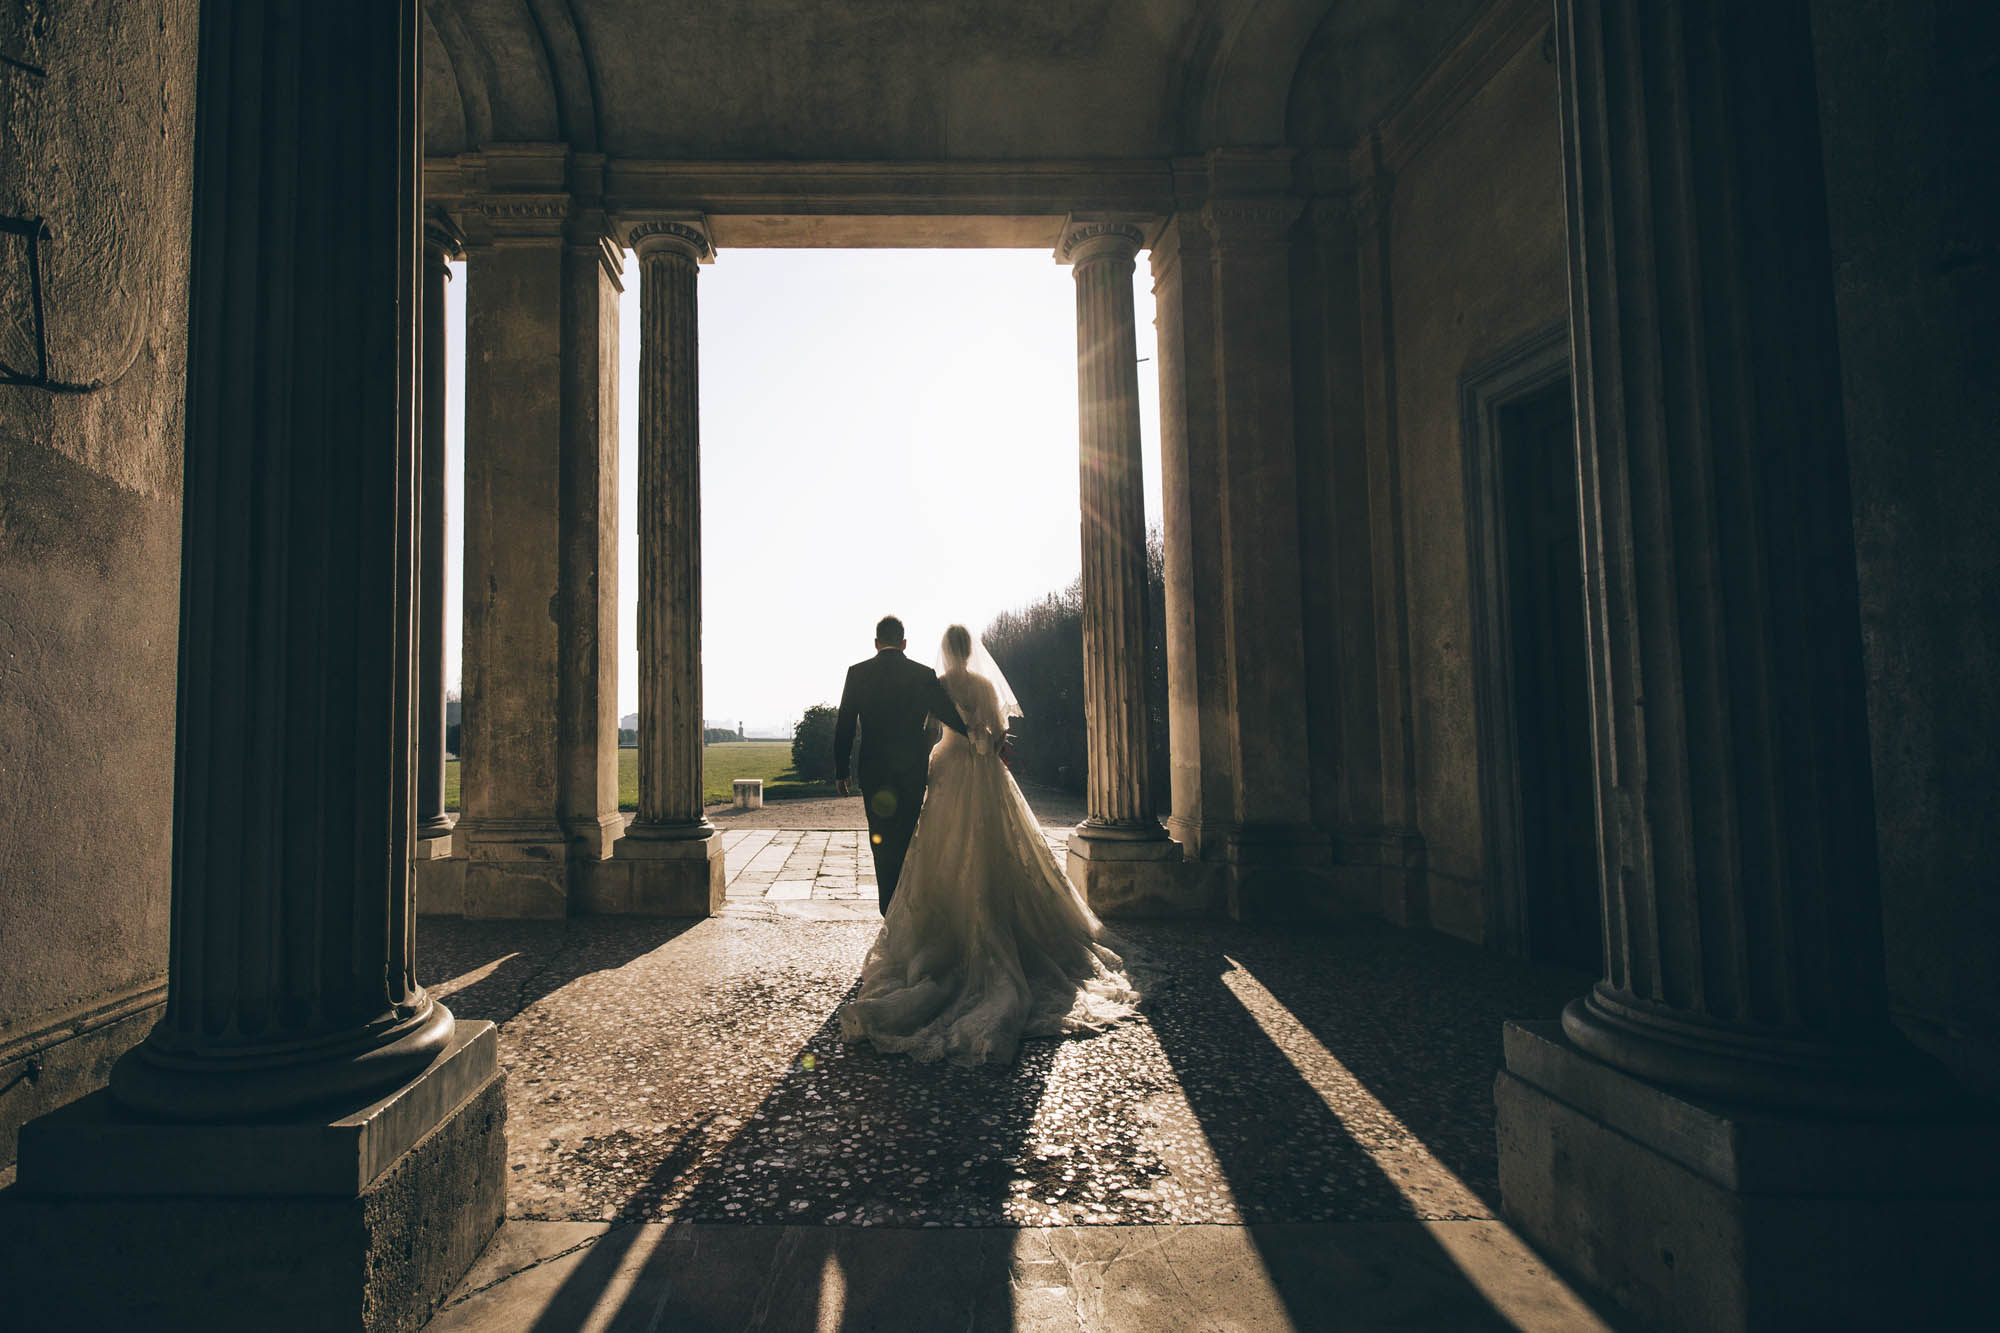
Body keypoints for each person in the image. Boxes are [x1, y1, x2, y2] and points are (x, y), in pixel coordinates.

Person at [837, 623, 1138, 1066]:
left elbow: (894, 724)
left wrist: (844, 765)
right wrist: (981, 738)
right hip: (961, 770)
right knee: (988, 845)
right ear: (905, 642)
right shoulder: (952, 680)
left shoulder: (897, 676)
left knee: (914, 850)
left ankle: (903, 918)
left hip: (918, 770)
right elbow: (992, 729)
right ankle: (962, 916)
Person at [834, 615, 969, 914]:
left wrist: (841, 771)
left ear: (876, 642)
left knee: (880, 838)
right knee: (908, 836)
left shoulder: (857, 673)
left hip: (873, 770)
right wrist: (973, 734)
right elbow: (946, 711)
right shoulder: (922, 674)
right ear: (904, 643)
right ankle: (907, 908)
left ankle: (888, 907)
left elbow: (844, 724)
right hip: (911, 770)